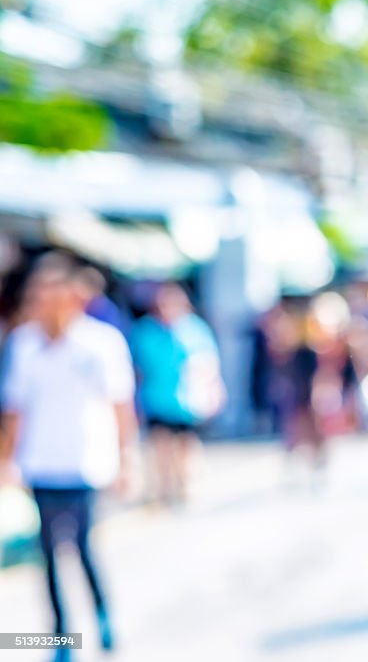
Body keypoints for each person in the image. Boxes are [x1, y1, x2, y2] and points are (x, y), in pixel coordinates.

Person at [0, 253, 139, 661]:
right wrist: (7, 458)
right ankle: (62, 638)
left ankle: (101, 616)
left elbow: (120, 405)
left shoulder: (100, 342)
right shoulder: (24, 344)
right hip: (41, 462)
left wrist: (126, 459)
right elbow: (15, 409)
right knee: (47, 553)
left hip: (86, 461)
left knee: (80, 547)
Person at [131, 282, 223, 505]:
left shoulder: (194, 329)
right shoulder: (145, 331)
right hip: (156, 399)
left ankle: (184, 485)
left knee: (185, 444)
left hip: (186, 401)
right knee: (160, 444)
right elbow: (136, 368)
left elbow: (209, 365)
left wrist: (214, 392)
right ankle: (163, 487)